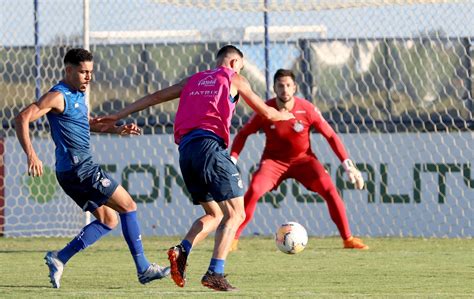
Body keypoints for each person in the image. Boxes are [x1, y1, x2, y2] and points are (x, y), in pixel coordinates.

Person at [94, 45, 294, 291]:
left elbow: (155, 97)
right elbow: (269, 114)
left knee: (215, 214)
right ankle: (215, 273)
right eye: (241, 66)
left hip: (186, 152)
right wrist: (288, 115)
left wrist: (117, 115)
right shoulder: (234, 78)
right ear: (233, 63)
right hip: (210, 148)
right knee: (236, 214)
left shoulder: (193, 80)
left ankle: (182, 250)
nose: (241, 71)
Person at [14, 48, 170, 289]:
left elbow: (85, 124)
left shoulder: (78, 97)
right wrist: (31, 155)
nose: (88, 77)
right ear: (68, 70)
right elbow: (22, 117)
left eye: (91, 72)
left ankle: (60, 257)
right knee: (128, 206)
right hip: (81, 169)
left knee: (108, 220)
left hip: (69, 174)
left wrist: (118, 130)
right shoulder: (57, 95)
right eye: (83, 72)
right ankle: (143, 269)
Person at [229, 69, 368, 252]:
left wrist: (348, 165)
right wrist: (232, 159)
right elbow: (243, 133)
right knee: (254, 190)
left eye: (288, 85)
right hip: (274, 163)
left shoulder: (307, 109)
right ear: (274, 88)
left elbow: (331, 136)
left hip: (304, 161)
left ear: (294, 87)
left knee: (330, 190)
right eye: (280, 85)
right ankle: (233, 240)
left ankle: (348, 239)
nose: (284, 89)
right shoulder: (266, 109)